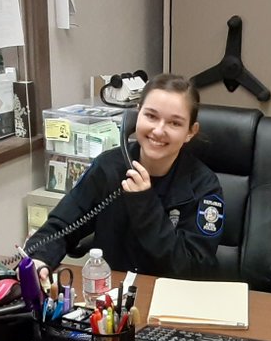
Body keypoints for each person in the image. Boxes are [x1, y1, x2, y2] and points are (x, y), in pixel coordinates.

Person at [25, 73, 224, 280]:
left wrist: (144, 203)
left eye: (175, 123)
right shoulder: (108, 167)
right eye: (151, 116)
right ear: (136, 116)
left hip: (171, 300)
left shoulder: (204, 186)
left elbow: (192, 269)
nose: (159, 130)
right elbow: (61, 225)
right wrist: (39, 258)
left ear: (190, 132)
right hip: (111, 294)